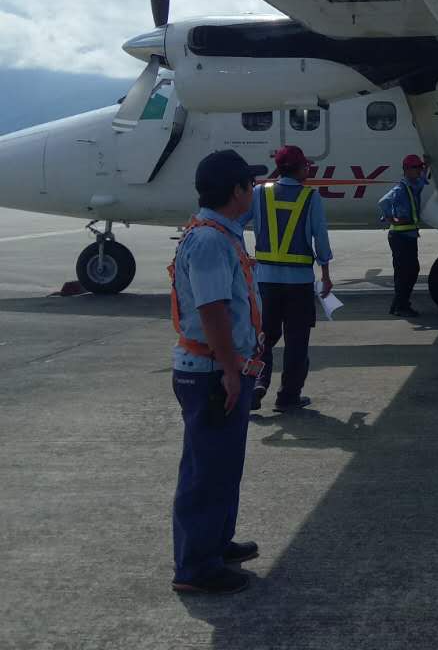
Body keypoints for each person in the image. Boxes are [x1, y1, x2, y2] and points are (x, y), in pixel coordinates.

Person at [169, 150, 264, 595]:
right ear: (236, 191)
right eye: (250, 184)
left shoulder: (222, 234)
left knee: (223, 466)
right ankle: (195, 567)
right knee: (206, 471)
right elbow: (212, 311)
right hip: (211, 371)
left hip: (221, 368)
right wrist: (229, 370)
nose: (254, 191)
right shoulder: (210, 241)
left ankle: (215, 544)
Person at [250, 145, 332, 412]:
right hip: (299, 284)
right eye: (305, 165)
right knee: (296, 342)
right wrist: (326, 275)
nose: (308, 169)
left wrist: (245, 259)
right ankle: (288, 397)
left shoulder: (259, 193)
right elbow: (320, 237)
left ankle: (257, 384)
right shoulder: (311, 197)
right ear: (297, 168)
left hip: (266, 281)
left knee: (264, 337)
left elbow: (236, 224)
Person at [378, 154, 429, 317]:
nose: (419, 171)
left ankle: (398, 304)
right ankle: (401, 305)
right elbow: (383, 202)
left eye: (420, 168)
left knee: (410, 270)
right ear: (406, 170)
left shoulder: (415, 185)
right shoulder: (400, 189)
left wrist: (427, 166)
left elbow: (423, 180)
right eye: (416, 168)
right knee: (406, 272)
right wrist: (388, 217)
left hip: (409, 235)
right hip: (400, 236)